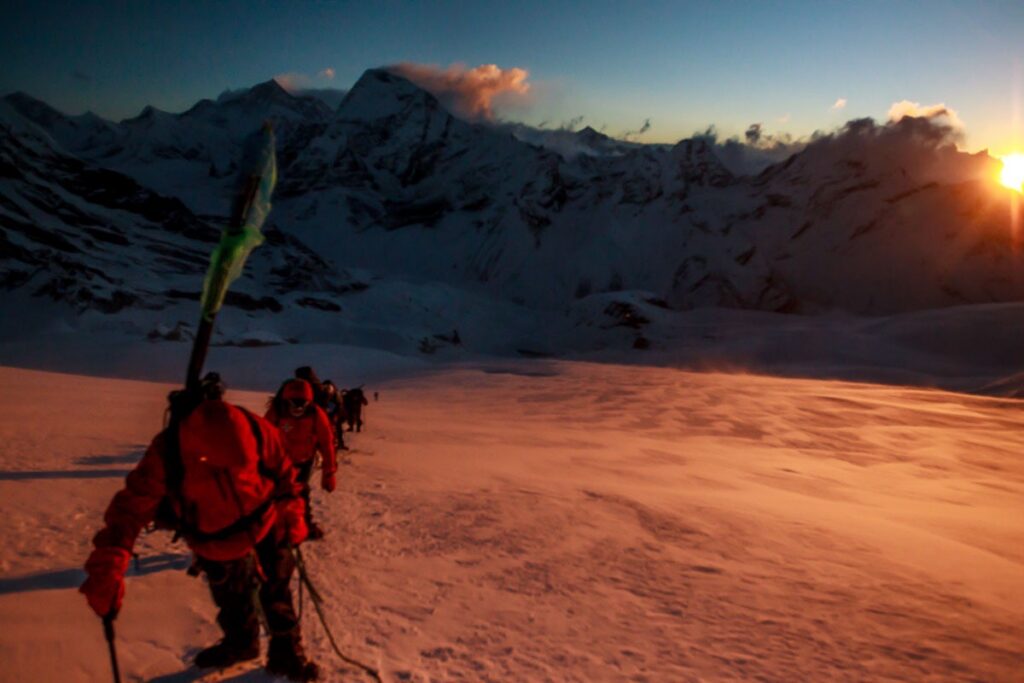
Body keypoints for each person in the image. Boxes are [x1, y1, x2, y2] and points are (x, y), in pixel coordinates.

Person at [79, 374, 320, 681]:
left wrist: (292, 510)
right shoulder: (178, 447)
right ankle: (255, 644)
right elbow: (130, 509)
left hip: (248, 526)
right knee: (250, 590)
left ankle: (271, 646)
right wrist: (109, 564)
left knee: (260, 587)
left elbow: (284, 473)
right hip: (231, 533)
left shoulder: (234, 434)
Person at [265, 379, 336, 540]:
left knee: (300, 493)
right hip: (280, 463)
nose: (298, 408)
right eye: (294, 403)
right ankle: (275, 525)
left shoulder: (316, 414)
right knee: (276, 494)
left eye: (302, 403)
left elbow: (326, 443)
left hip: (304, 461)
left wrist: (329, 472)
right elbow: (264, 438)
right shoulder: (277, 412)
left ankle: (302, 525)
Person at [321, 380, 348, 451]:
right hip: (327, 413)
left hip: (336, 413)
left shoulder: (336, 394)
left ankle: (340, 444)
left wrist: (336, 415)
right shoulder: (322, 393)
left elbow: (339, 405)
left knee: (338, 428)